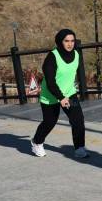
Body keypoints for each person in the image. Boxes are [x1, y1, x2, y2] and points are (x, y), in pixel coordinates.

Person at [30, 29, 88, 159]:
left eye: (72, 41)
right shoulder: (52, 57)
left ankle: (79, 148)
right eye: (66, 41)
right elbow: (50, 82)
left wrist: (69, 94)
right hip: (51, 96)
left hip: (69, 94)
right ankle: (36, 142)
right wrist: (60, 97)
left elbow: (74, 73)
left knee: (78, 119)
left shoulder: (77, 54)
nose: (70, 44)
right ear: (60, 42)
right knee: (50, 122)